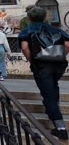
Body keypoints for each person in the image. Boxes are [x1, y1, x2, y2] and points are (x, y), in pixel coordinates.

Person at [18, 7, 69, 140]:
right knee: (53, 87)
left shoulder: (26, 31)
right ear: (45, 16)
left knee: (48, 94)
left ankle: (61, 128)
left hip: (41, 66)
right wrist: (60, 56)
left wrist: (32, 61)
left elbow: (24, 48)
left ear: (29, 18)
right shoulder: (57, 30)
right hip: (58, 65)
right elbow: (67, 45)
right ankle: (51, 108)